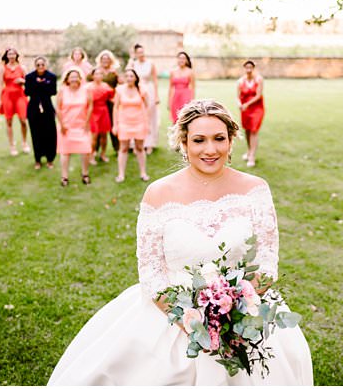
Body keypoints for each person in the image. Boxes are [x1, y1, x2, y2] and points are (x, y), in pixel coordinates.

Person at [48, 99, 313, 385]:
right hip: (171, 316)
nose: (210, 150)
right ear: (183, 143)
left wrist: (237, 317)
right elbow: (150, 271)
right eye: (199, 140)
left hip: (246, 314)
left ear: (231, 140)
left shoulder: (255, 189)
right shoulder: (158, 194)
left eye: (218, 139)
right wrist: (191, 322)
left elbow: (267, 261)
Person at [56, 69, 94, 186]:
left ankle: (85, 174)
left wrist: (87, 122)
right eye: (71, 76)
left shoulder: (86, 90)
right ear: (67, 79)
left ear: (79, 78)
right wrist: (62, 124)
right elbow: (57, 108)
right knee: (65, 152)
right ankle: (64, 177)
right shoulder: (62, 91)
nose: (73, 79)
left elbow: (90, 106)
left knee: (85, 151)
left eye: (76, 76)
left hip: (82, 126)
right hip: (66, 126)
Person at [113, 69, 150, 182]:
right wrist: (115, 125)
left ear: (135, 78)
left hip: (139, 122)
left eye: (131, 76)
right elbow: (115, 107)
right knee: (123, 148)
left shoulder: (141, 90)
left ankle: (143, 173)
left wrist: (146, 123)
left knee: (139, 147)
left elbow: (147, 107)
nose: (129, 78)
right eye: (127, 76)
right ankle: (121, 174)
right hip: (124, 123)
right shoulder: (119, 90)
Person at [24, 56, 58, 169]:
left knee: (50, 134)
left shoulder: (51, 77)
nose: (40, 67)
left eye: (42, 64)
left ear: (45, 65)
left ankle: (50, 159)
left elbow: (53, 91)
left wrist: (40, 85)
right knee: (36, 134)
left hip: (47, 107)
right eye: (38, 65)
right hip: (33, 108)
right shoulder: (29, 77)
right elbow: (27, 92)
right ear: (35, 66)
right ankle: (37, 159)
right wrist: (40, 85)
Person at [127, 44, 159, 154]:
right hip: (137, 90)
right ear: (135, 53)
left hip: (149, 90)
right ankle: (135, 144)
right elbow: (128, 73)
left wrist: (156, 95)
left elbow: (155, 80)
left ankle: (149, 144)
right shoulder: (133, 64)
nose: (141, 54)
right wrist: (131, 59)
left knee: (149, 116)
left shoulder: (151, 63)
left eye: (142, 51)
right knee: (137, 116)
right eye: (138, 52)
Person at [0, 47, 30, 155]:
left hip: (20, 95)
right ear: (6, 56)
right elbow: (0, 84)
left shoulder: (22, 68)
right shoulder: (2, 68)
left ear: (17, 55)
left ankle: (24, 143)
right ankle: (12, 146)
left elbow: (29, 83)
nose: (11, 56)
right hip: (7, 96)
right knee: (9, 121)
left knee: (23, 120)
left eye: (13, 54)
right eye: (9, 54)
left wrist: (23, 81)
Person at [94, 50, 122, 155]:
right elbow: (89, 83)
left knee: (113, 124)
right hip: (99, 102)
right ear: (100, 60)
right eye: (103, 59)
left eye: (107, 59)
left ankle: (117, 148)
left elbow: (121, 82)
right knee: (97, 126)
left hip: (112, 101)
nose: (105, 61)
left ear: (111, 60)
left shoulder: (114, 72)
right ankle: (95, 150)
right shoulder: (96, 71)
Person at [237, 61, 265, 167]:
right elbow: (238, 96)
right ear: (244, 68)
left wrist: (247, 104)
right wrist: (239, 104)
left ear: (253, 68)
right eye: (246, 67)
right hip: (245, 109)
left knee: (254, 130)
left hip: (256, 108)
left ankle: (252, 156)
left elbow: (258, 95)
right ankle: (249, 151)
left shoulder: (259, 79)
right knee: (247, 130)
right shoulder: (240, 81)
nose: (248, 69)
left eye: (250, 67)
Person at [88, 68, 116, 164]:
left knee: (104, 135)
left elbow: (112, 98)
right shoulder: (88, 87)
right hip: (93, 112)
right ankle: (91, 155)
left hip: (104, 111)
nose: (98, 76)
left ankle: (103, 154)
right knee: (94, 136)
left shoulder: (106, 86)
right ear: (92, 76)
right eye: (96, 74)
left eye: (100, 74)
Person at [168, 52, 196, 124]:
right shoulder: (172, 72)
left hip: (186, 97)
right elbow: (171, 87)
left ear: (186, 60)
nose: (181, 60)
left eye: (183, 58)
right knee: (175, 119)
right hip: (176, 97)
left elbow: (193, 88)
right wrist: (169, 101)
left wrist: (192, 101)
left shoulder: (190, 72)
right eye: (180, 58)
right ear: (177, 60)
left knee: (185, 119)